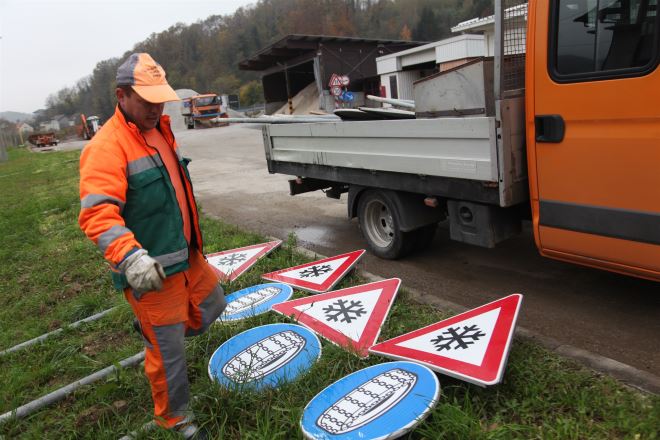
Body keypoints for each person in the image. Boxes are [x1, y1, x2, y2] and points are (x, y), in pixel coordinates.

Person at [78, 53, 226, 438]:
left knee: (213, 304)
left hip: (185, 255)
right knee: (169, 356)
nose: (155, 108)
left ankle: (155, 333)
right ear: (121, 96)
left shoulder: (160, 128)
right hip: (150, 269)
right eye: (146, 100)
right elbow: (97, 214)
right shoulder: (107, 146)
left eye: (159, 99)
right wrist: (130, 258)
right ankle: (174, 420)